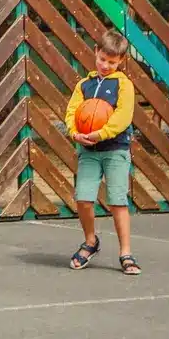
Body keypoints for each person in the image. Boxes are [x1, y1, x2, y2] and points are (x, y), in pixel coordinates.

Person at [65, 30, 140, 276]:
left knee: (117, 200)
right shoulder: (83, 85)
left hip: (115, 149)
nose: (105, 65)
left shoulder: (123, 85)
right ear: (96, 52)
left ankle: (125, 252)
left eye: (112, 62)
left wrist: (101, 133)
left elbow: (122, 116)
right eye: (102, 59)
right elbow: (72, 111)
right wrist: (74, 132)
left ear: (120, 61)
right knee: (83, 198)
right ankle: (90, 242)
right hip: (88, 150)